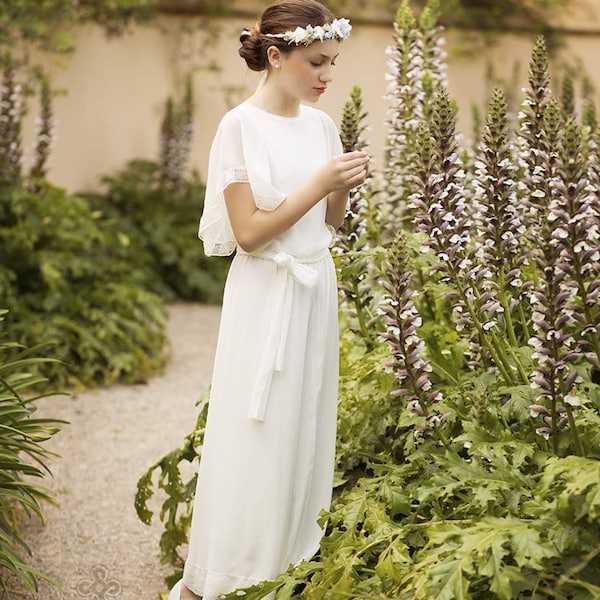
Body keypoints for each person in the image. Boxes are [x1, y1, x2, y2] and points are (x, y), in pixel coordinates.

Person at [169, 1, 369, 598]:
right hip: (266, 292)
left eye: (332, 62)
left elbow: (331, 223)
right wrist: (319, 183)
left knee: (304, 426)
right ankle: (230, 576)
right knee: (256, 431)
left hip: (314, 286)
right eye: (316, 63)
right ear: (276, 57)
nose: (326, 76)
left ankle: (286, 569)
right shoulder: (239, 126)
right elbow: (250, 232)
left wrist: (344, 188)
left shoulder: (322, 124)